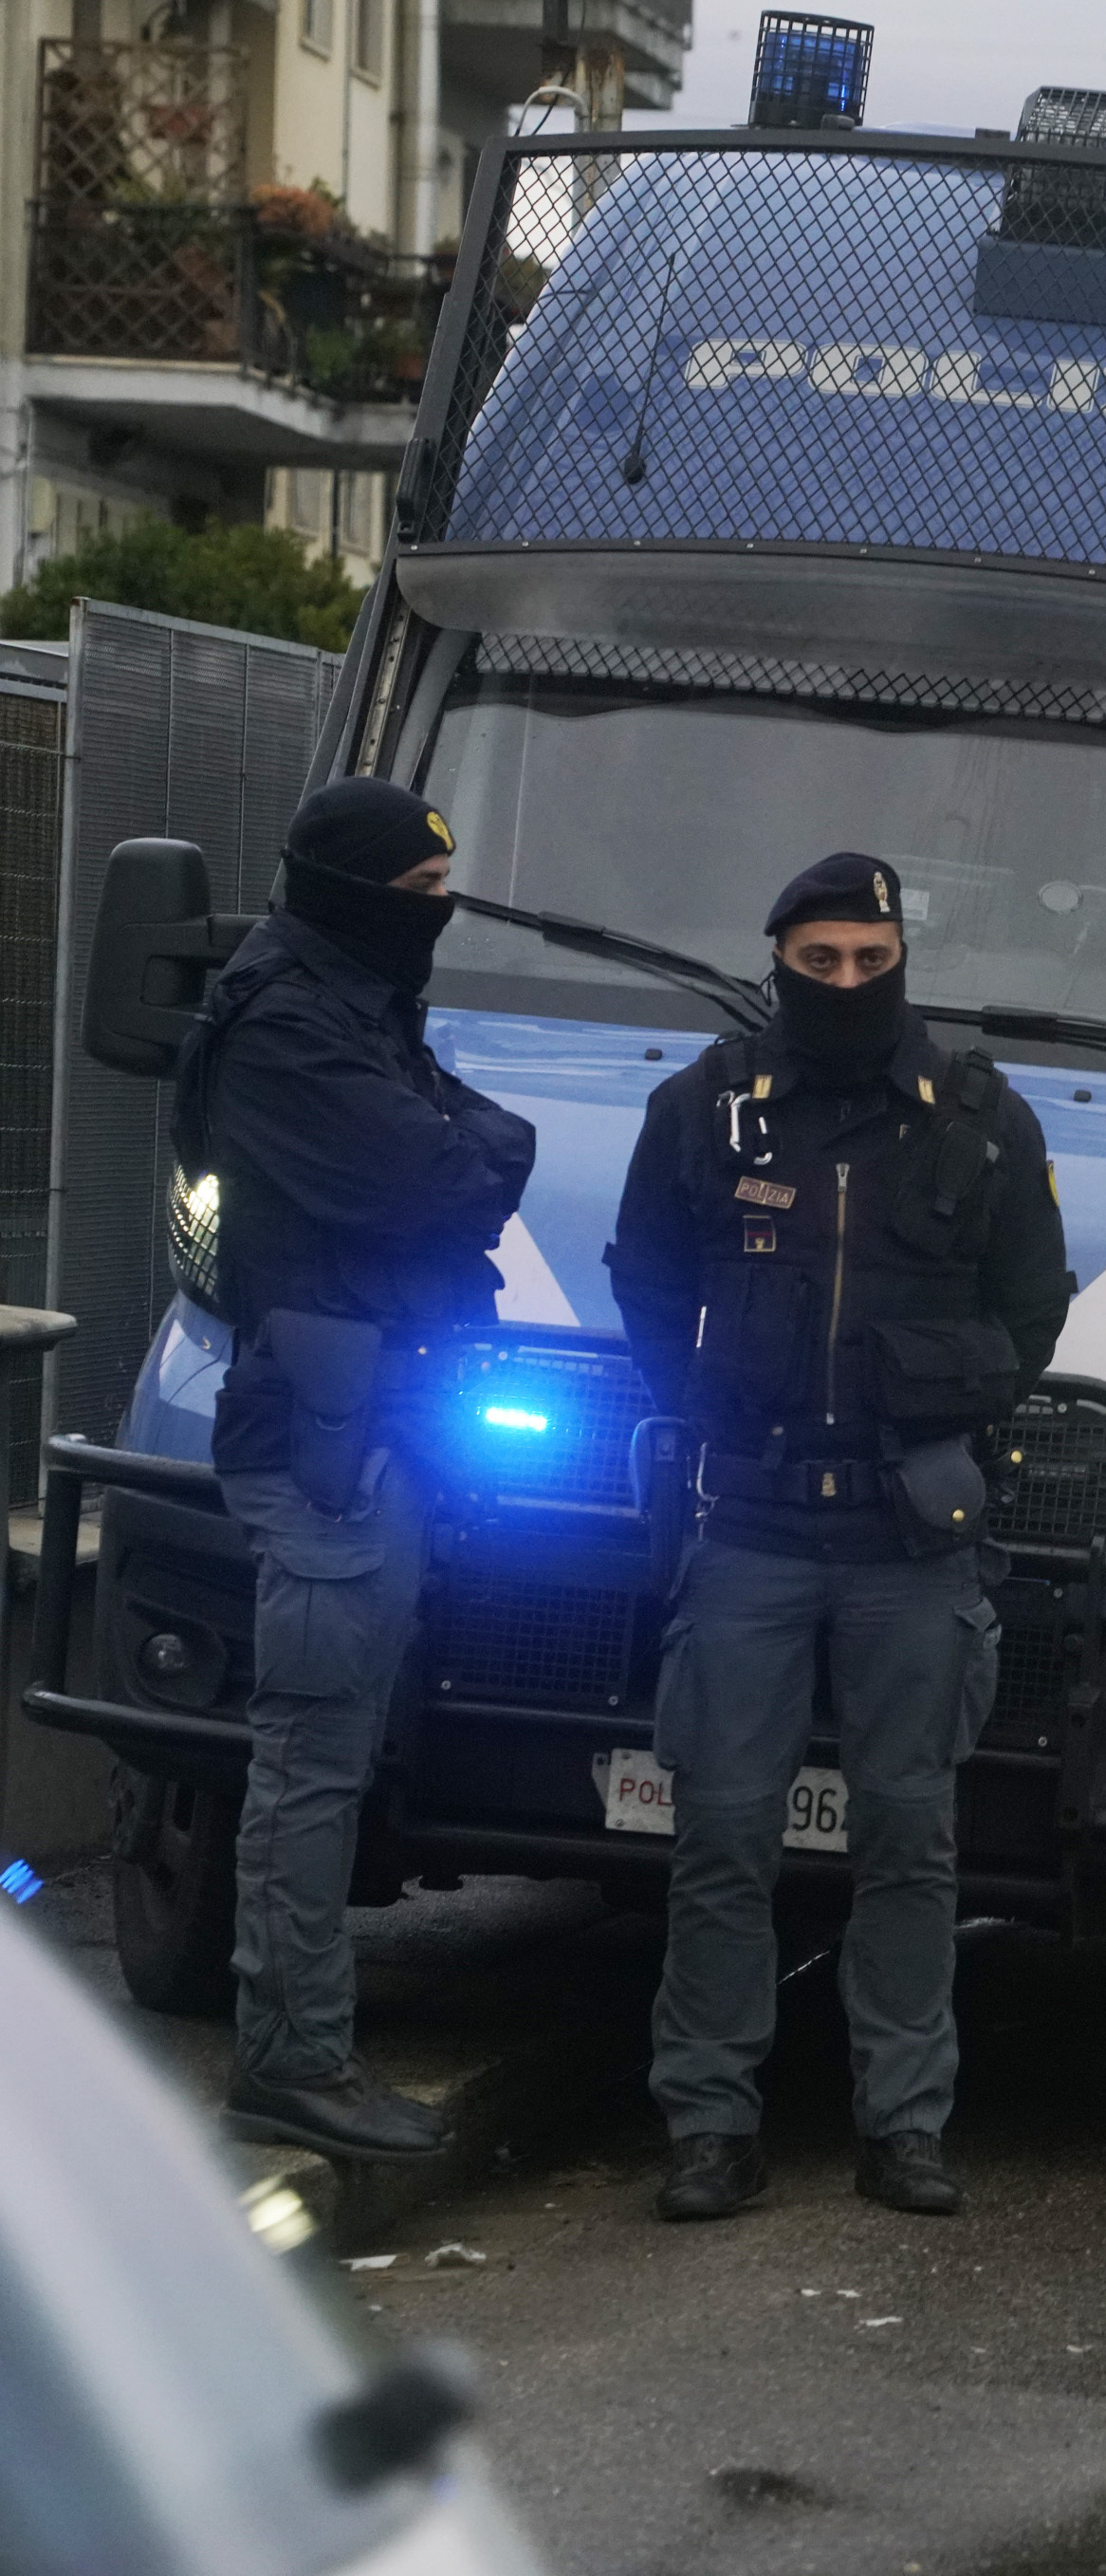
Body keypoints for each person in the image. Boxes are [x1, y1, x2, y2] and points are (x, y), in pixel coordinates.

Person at [608, 854, 1071, 2221]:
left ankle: (906, 2124)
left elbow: (1031, 1309)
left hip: (907, 1538)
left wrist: (940, 1392)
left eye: (872, 961)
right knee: (722, 1839)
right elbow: (645, 1275)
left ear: (901, 958)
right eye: (822, 964)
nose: (850, 985)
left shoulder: (979, 1122)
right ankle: (707, 2124)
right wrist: (694, 1396)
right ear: (780, 964)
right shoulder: (705, 1111)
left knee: (912, 1844)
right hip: (748, 1519)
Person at [175, 779, 537, 2161]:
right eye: (421, 902)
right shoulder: (288, 1028)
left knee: (333, 1756)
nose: (434, 925)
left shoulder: (348, 1002)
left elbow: (478, 1145)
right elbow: (451, 1177)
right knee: (310, 1766)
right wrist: (463, 1151)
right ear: (356, 899)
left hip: (378, 1425)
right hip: (328, 1446)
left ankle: (302, 2054)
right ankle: (290, 2063)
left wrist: (465, 1149)